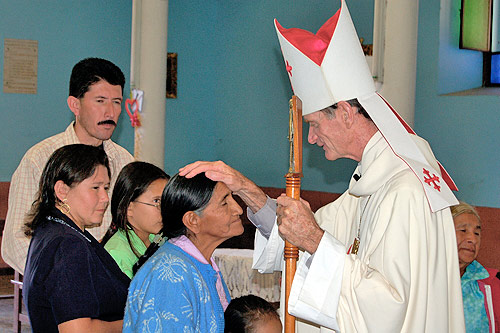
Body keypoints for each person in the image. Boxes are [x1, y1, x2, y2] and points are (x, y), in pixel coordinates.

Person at [179, 1, 465, 331]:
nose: (312, 138)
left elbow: (388, 307)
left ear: (344, 112)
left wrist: (315, 241)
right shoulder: (374, 180)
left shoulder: (403, 189)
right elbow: (299, 229)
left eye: (314, 124)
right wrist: (245, 188)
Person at [2, 57, 134, 274]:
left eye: (117, 102)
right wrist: (65, 274)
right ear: (75, 104)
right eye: (100, 101)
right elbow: (16, 243)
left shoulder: (124, 162)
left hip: (110, 282)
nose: (110, 112)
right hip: (61, 282)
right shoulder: (40, 159)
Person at [23, 144, 130, 333]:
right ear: (62, 190)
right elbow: (76, 330)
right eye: (95, 188)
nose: (105, 197)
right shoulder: (68, 244)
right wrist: (135, 322)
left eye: (106, 187)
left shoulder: (53, 229)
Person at [123, 173, 244, 332]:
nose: (239, 210)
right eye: (224, 203)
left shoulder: (198, 263)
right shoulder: (170, 275)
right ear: (193, 221)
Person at [103, 161, 169, 278]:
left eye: (166, 201)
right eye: (156, 201)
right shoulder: (116, 254)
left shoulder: (157, 240)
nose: (164, 210)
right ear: (128, 207)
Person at [451, 201, 500, 333]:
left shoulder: (492, 284)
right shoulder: (421, 282)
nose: (472, 239)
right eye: (463, 230)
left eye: (477, 233)